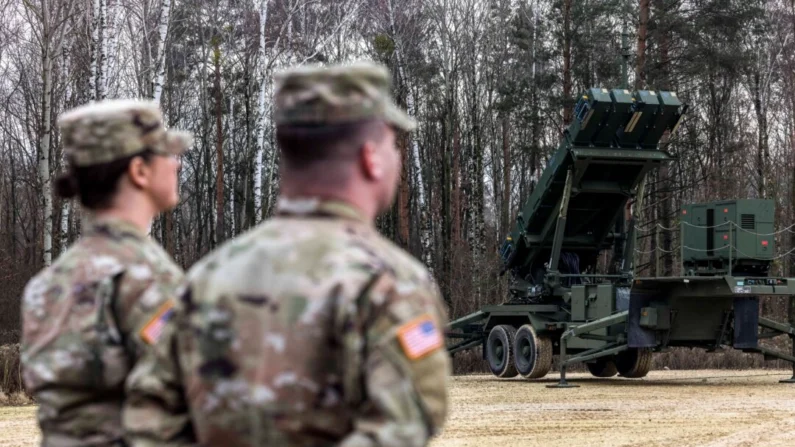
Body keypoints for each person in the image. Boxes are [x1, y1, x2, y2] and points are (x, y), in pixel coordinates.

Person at [131, 61, 452, 446]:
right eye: (392, 145)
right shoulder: (388, 282)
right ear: (371, 158)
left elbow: (148, 417)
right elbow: (400, 427)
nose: (396, 157)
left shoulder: (206, 277)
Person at [20, 100, 195, 446]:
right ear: (139, 171)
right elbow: (186, 396)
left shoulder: (46, 284)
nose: (176, 163)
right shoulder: (145, 278)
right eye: (167, 153)